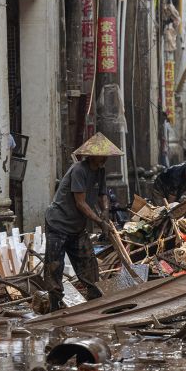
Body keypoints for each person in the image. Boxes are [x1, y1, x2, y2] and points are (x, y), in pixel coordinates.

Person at [43, 132, 120, 309]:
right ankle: (55, 305)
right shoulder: (79, 170)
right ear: (91, 155)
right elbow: (81, 203)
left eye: (105, 156)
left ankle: (95, 302)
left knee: (88, 265)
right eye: (101, 156)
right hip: (58, 224)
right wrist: (100, 222)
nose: (104, 159)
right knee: (55, 266)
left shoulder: (100, 171)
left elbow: (102, 195)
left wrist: (106, 213)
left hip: (77, 227)